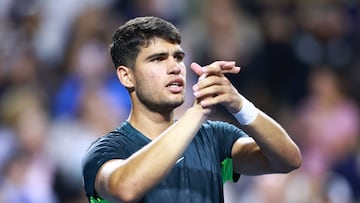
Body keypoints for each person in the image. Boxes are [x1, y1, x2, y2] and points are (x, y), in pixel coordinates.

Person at [81, 16, 302, 203]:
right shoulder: (106, 151)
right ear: (126, 76)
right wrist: (198, 111)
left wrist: (239, 104)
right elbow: (126, 189)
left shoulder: (215, 137)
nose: (175, 67)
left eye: (178, 57)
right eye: (158, 59)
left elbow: (288, 159)